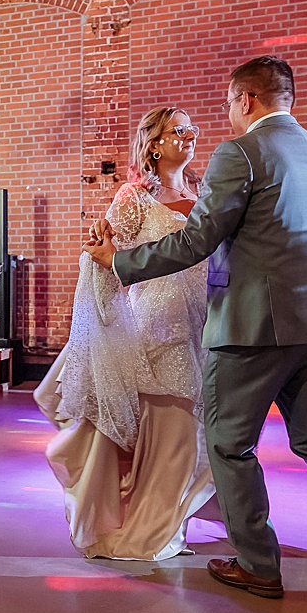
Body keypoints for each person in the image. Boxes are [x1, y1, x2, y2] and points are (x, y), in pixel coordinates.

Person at [86, 56, 307, 605]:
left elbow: (197, 239)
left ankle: (257, 565)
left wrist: (119, 263)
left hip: (258, 325)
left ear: (246, 99)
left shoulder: (241, 152)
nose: (224, 117)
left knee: (228, 442)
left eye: (227, 104)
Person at [35, 107, 215, 561]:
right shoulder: (134, 196)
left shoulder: (201, 196)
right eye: (179, 130)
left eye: (192, 129)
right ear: (153, 144)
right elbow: (102, 257)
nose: (189, 136)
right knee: (175, 437)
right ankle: (150, 534)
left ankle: (164, 523)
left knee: (194, 436)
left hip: (200, 324)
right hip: (156, 324)